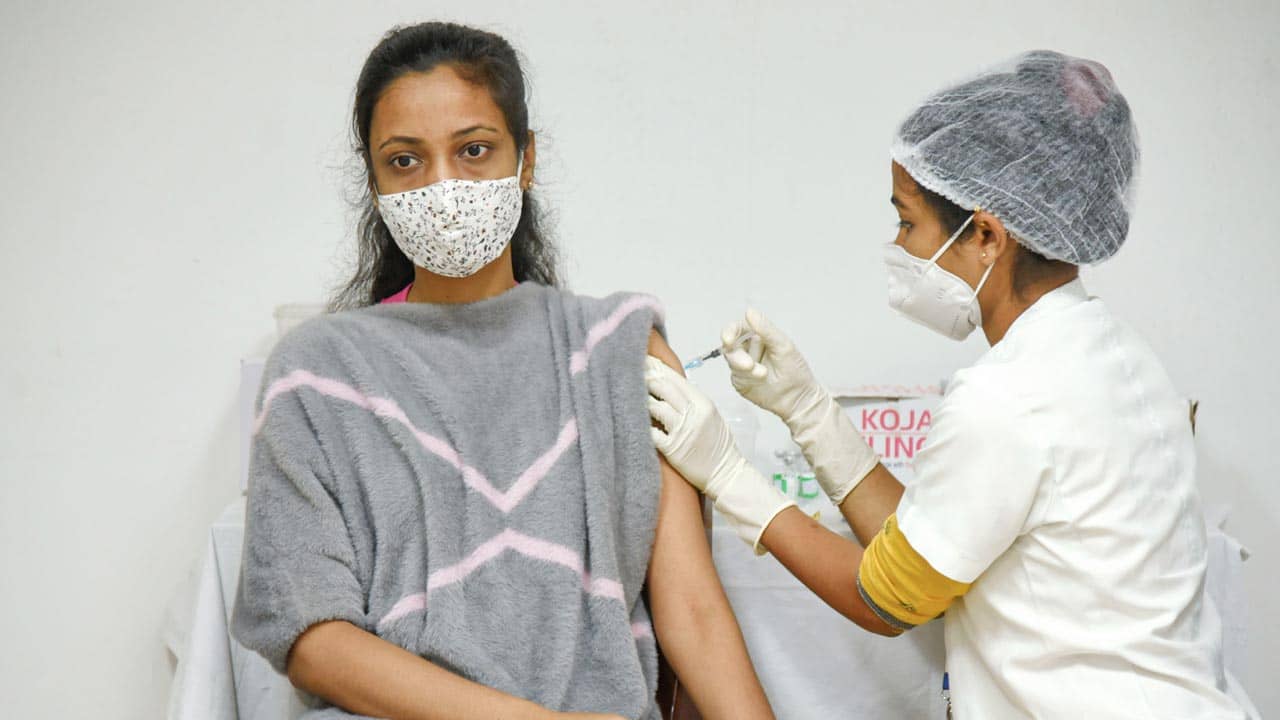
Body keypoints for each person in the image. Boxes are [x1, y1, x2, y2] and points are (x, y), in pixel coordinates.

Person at [645, 50, 1246, 719]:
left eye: (907, 222)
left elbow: (884, 599)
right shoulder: (1117, 357)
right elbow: (925, 543)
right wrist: (809, 412)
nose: (899, 247)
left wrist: (729, 476)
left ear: (986, 234)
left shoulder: (1011, 397)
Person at [232, 22, 774, 720]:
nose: (442, 186)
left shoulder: (616, 349)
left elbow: (693, 613)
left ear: (527, 160)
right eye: (405, 161)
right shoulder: (316, 374)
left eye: (474, 150)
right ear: (373, 182)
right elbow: (314, 638)